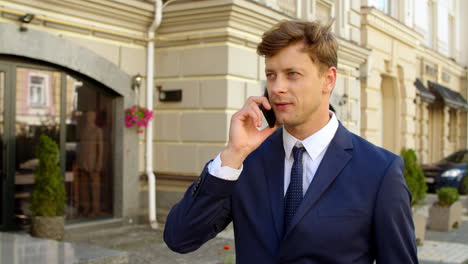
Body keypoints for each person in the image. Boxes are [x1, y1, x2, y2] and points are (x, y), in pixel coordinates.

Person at [164, 20, 418, 263]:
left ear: (328, 79)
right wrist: (233, 153)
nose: (277, 88)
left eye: (292, 74)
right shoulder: (246, 161)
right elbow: (180, 239)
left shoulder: (379, 171)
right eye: (271, 75)